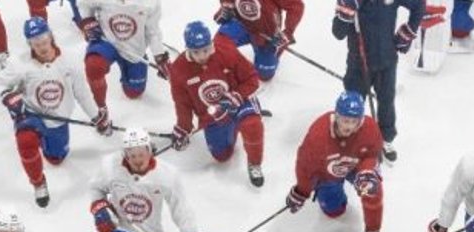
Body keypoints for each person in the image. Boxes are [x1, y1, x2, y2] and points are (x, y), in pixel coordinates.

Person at [0, 17, 111, 208]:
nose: (41, 46)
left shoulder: (70, 60)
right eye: (35, 43)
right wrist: (8, 96)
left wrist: (96, 116)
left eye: (43, 40)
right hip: (31, 115)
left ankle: (47, 144)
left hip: (58, 120)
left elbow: (81, 92)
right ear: (29, 43)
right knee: (26, 141)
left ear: (51, 36)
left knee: (56, 158)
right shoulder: (20, 63)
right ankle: (38, 183)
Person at [285, 90, 388, 232]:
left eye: (354, 121)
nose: (348, 126)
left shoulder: (369, 128)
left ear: (360, 120)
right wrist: (302, 191)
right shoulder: (318, 135)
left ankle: (373, 230)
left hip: (357, 167)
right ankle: (334, 195)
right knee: (334, 211)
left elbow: (372, 154)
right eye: (345, 120)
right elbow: (304, 165)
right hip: (327, 172)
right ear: (337, 116)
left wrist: (367, 170)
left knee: (372, 190)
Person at [167, 21, 266, 187]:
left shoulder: (226, 51)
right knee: (222, 156)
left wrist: (236, 96)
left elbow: (252, 78)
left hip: (239, 101)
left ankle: (255, 164)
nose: (202, 56)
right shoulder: (178, 70)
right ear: (188, 49)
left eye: (206, 50)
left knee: (252, 125)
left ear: (211, 44)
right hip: (212, 114)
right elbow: (182, 104)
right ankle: (234, 126)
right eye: (196, 52)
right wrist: (183, 128)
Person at [332, 0, 425, 161]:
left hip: (386, 62)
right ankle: (351, 139)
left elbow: (419, 5)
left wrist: (406, 34)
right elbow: (338, 33)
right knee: (353, 104)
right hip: (358, 64)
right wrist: (347, 10)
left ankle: (386, 138)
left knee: (386, 102)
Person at [78, 0, 167, 110]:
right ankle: (100, 109)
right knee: (94, 65)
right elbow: (83, 3)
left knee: (133, 93)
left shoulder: (150, 3)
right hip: (106, 40)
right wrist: (88, 20)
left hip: (133, 49)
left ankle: (130, 72)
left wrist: (160, 56)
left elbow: (153, 32)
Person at [212, 0, 305, 80]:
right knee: (219, 45)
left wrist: (287, 32)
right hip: (242, 25)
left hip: (267, 34)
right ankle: (222, 65)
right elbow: (227, 4)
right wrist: (224, 12)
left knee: (265, 74)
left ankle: (270, 55)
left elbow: (296, 6)